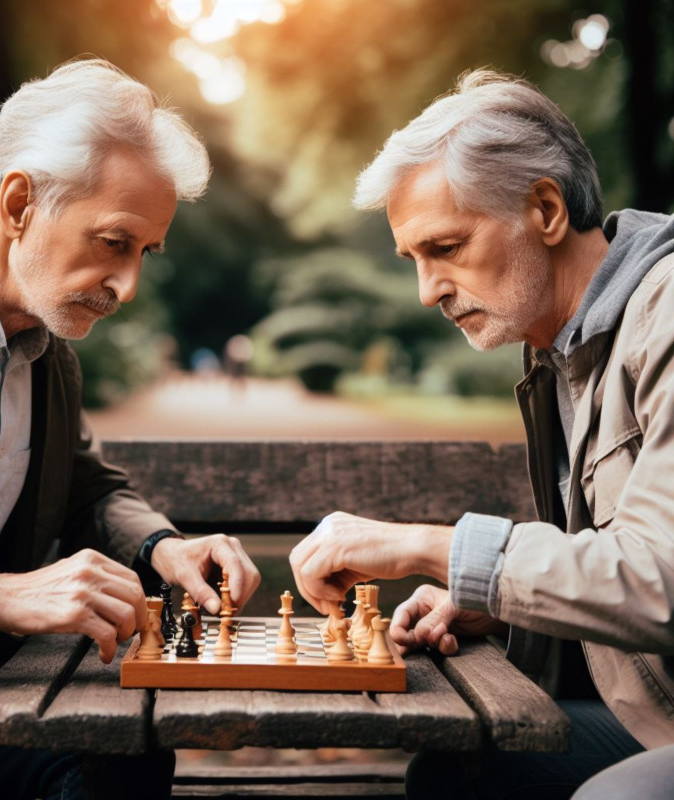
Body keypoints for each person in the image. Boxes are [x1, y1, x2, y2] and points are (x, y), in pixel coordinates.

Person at [0, 57, 260, 800]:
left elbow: (83, 483)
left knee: (119, 758)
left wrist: (164, 546)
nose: (129, 287)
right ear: (20, 202)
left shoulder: (48, 348)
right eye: (113, 242)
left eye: (144, 253)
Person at [289, 69, 674, 799]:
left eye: (447, 248)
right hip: (654, 719)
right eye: (414, 261)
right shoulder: (561, 347)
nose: (428, 290)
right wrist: (491, 597)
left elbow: (661, 581)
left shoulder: (667, 316)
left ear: (546, 209)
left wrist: (426, 545)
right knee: (458, 771)